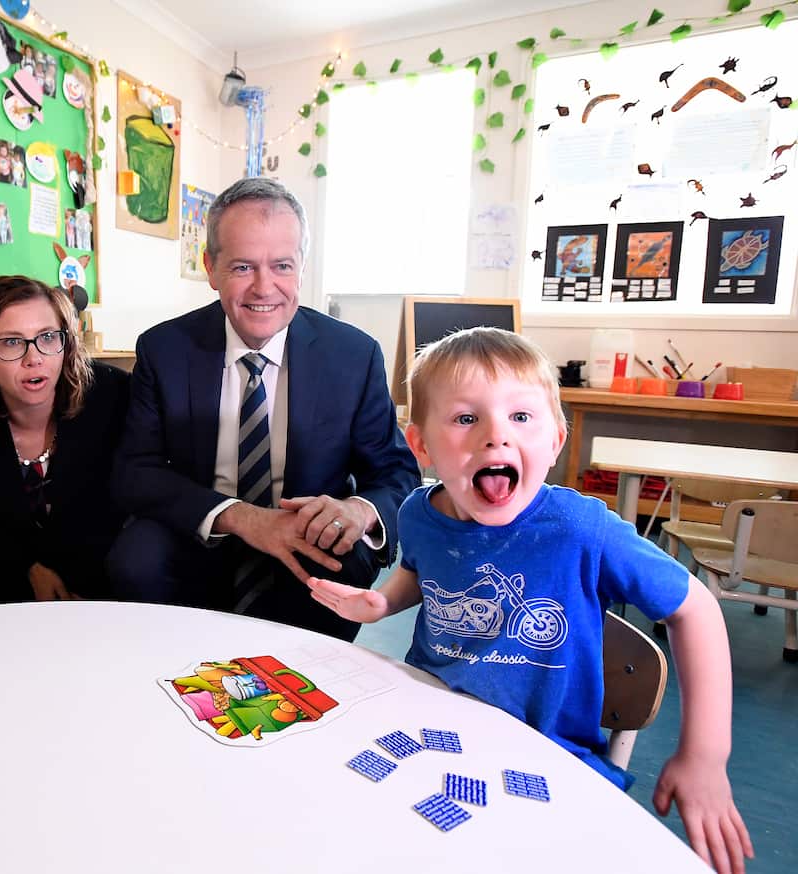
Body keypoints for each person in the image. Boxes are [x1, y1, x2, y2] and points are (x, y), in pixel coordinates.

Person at [307, 327, 752, 874]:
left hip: (549, 757)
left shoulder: (581, 529)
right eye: (466, 418)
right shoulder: (419, 513)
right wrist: (380, 604)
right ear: (420, 445)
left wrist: (705, 757)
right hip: (426, 735)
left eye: (520, 417)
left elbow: (697, 608)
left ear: (555, 440)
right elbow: (420, 574)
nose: (495, 437)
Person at [108, 177, 419, 641]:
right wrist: (244, 518)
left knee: (344, 558)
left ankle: (316, 683)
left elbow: (396, 474)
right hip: (207, 527)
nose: (263, 287)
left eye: (281, 266)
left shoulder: (353, 355)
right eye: (242, 267)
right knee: (134, 558)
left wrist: (358, 510)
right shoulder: (164, 349)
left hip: (306, 539)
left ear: (301, 269)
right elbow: (136, 471)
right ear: (211, 268)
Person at [0, 276, 129, 604]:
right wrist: (30, 566)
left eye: (48, 337)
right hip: (5, 570)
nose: (33, 358)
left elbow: (118, 505)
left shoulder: (112, 395)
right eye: (11, 342)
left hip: (101, 573)